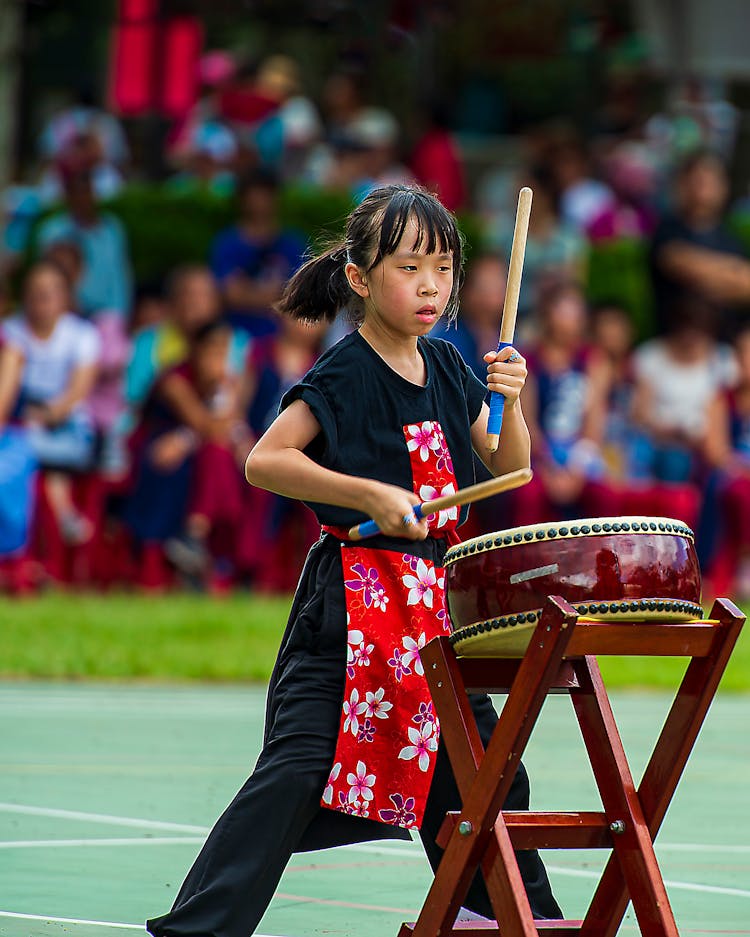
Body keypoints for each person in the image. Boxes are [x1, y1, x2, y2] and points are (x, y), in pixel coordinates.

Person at [146, 184, 562, 937]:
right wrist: (366, 494)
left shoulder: (448, 366)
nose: (431, 284)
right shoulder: (344, 371)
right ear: (363, 280)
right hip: (350, 609)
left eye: (443, 266)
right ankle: (197, 929)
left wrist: (513, 398)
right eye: (410, 267)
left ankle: (514, 924)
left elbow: (509, 463)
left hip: (433, 612)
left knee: (485, 775)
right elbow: (265, 460)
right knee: (299, 768)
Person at [0, 260, 99, 545]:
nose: (41, 299)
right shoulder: (11, 331)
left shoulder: (82, 334)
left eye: (50, 291)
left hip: (64, 427)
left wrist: (40, 416)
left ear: (65, 296)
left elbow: (77, 393)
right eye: (35, 291)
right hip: (21, 425)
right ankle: (64, 515)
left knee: (22, 449)